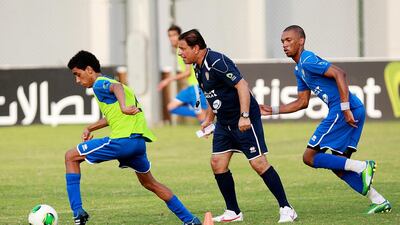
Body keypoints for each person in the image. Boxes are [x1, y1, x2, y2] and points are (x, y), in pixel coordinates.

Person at [259, 25, 391, 214]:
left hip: (343, 109)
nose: (285, 45)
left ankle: (363, 166)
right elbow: (302, 103)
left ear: (301, 41)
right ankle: (379, 200)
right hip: (351, 109)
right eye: (282, 41)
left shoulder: (307, 59)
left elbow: (339, 74)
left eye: (289, 40)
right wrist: (272, 110)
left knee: (309, 157)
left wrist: (345, 107)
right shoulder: (299, 69)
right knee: (337, 164)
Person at [65, 50, 202, 225]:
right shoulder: (112, 83)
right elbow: (113, 116)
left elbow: (117, 89)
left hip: (122, 142)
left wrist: (122, 106)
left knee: (70, 157)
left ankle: (77, 212)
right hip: (137, 143)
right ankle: (190, 220)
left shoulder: (101, 84)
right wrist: (90, 127)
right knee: (151, 183)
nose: (77, 80)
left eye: (78, 74)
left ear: (89, 70)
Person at [178, 29, 298, 223]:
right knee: (217, 164)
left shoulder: (217, 62)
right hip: (224, 123)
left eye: (183, 49)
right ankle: (233, 211)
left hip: (243, 120)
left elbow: (242, 86)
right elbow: (211, 95)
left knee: (258, 164)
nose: (180, 53)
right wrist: (209, 119)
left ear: (196, 47)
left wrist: (244, 116)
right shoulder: (198, 67)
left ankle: (287, 208)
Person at [158, 25, 207, 122]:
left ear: (180, 36)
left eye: (174, 35)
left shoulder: (183, 50)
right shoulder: (178, 50)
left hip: (196, 86)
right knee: (171, 107)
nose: (172, 38)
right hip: (191, 87)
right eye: (169, 36)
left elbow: (187, 72)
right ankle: (202, 113)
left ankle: (203, 114)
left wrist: (168, 79)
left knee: (204, 122)